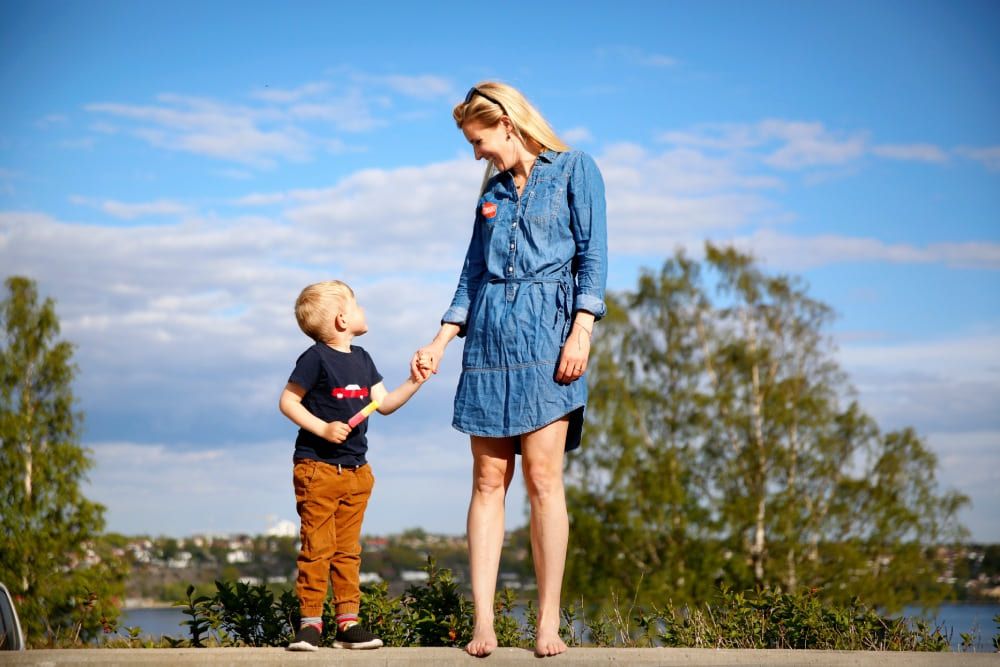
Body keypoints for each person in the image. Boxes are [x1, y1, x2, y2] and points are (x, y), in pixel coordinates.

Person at [412, 82, 607, 657]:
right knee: (487, 480)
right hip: (488, 341)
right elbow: (472, 273)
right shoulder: (491, 193)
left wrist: (582, 330)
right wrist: (440, 340)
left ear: (507, 124)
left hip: (550, 340)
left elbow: (593, 258)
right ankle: (484, 624)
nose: (476, 154)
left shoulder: (576, 169)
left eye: (478, 141)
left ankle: (548, 623)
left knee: (544, 480)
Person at [280, 280, 430, 651]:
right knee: (317, 547)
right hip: (318, 469)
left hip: (356, 472)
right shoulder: (314, 358)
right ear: (342, 318)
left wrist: (414, 381)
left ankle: (348, 623)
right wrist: (322, 427)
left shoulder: (363, 358)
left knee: (348, 550)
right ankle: (311, 623)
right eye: (356, 305)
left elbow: (386, 402)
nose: (363, 310)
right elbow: (288, 402)